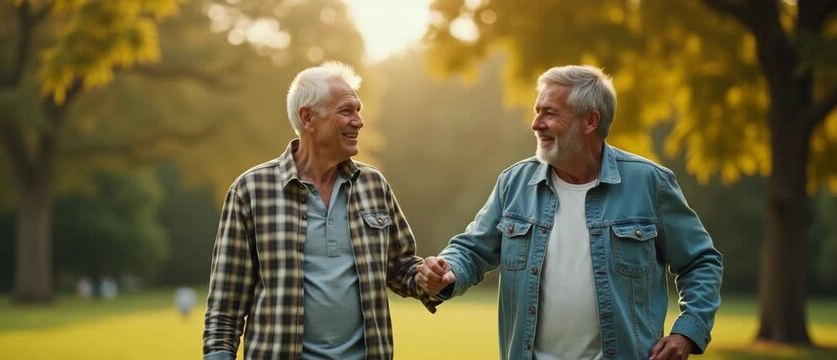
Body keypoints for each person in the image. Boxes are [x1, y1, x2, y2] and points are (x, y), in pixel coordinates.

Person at [417, 65, 723, 360]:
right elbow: (471, 250)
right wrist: (447, 272)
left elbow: (700, 261)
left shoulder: (650, 183)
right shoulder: (515, 183)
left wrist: (687, 332)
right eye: (537, 111)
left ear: (590, 121)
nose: (536, 123)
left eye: (549, 112)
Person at [203, 62, 429, 359]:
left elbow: (401, 267)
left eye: (358, 110)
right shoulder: (250, 190)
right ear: (308, 118)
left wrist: (428, 277)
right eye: (346, 111)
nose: (359, 121)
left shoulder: (373, 185)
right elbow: (225, 307)